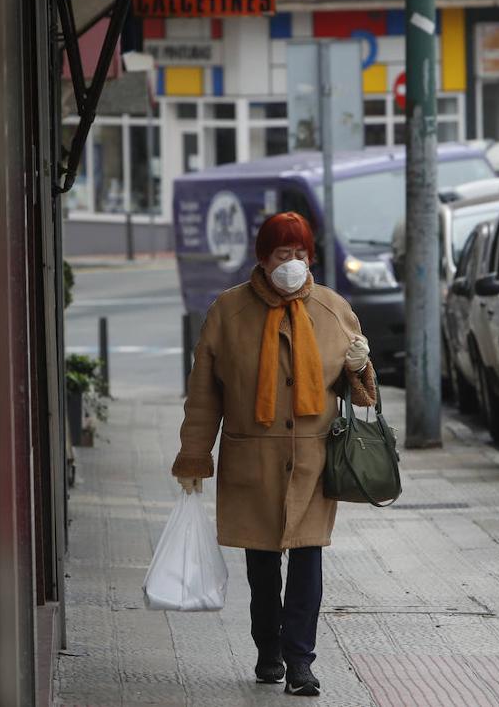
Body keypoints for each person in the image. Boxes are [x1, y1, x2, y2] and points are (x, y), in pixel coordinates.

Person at [170, 212, 377, 697]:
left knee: (307, 561)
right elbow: (204, 394)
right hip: (251, 461)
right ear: (262, 259)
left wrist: (360, 365)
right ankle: (268, 650)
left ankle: (300, 660)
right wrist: (194, 456)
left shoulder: (333, 309)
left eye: (301, 254)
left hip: (312, 462)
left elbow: (362, 397)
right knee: (262, 569)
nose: (293, 264)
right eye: (283, 255)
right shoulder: (229, 311)